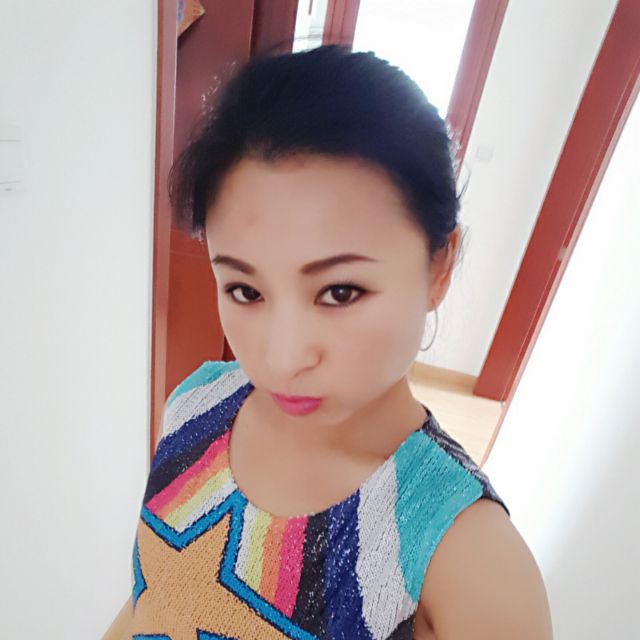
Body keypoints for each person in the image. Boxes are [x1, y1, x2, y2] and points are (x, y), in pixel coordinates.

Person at [104, 44, 553, 639]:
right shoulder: (195, 404)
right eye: (244, 290)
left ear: (439, 265)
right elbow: (154, 595)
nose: (282, 358)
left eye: (340, 292)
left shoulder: (466, 561)